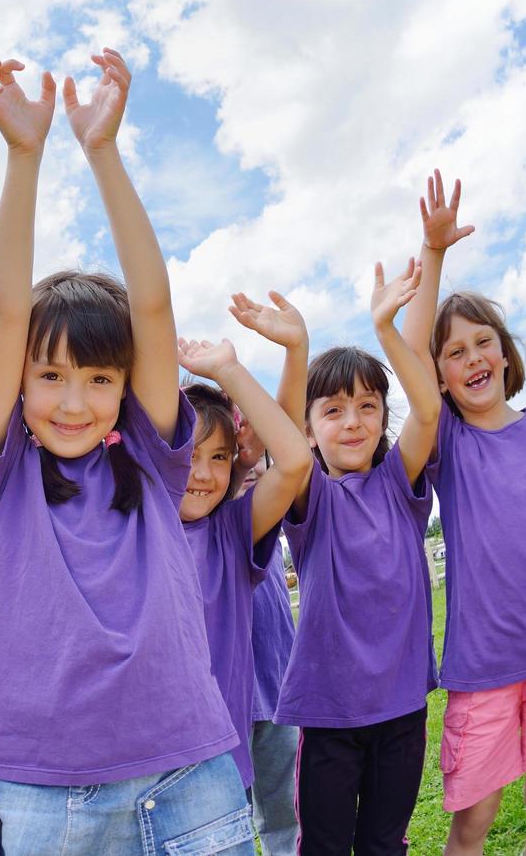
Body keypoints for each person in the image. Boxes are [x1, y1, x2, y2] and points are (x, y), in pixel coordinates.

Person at [0, 51, 252, 855]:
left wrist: (104, 153)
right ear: (19, 382)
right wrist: (24, 156)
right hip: (41, 784)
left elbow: (152, 305)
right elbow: (6, 309)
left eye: (98, 378)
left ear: (126, 388)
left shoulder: (153, 460)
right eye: (48, 377)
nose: (72, 402)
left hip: (183, 770)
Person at [397, 171, 526, 856]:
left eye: (482, 342)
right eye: (454, 353)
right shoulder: (448, 445)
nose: (473, 358)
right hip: (482, 670)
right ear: (441, 376)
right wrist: (432, 255)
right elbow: (407, 357)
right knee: (473, 824)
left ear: (505, 349)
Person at [275, 255, 440, 856]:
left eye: (367, 406)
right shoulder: (310, 496)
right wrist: (297, 351)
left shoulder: (401, 484)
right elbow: (283, 439)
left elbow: (428, 410)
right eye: (333, 410)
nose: (352, 421)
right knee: (323, 845)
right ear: (312, 429)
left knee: (383, 844)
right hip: (329, 715)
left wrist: (387, 330)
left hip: (402, 709)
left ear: (381, 420)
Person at [175, 294, 313, 794]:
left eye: (218, 457)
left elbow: (294, 460)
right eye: (188, 454)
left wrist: (230, 372)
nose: (202, 473)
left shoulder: (231, 532)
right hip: (142, 768)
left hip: (218, 773)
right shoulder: (133, 526)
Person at [225, 293, 306, 855]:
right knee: (221, 831)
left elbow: (289, 441)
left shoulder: (260, 509)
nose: (242, 445)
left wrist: (294, 353)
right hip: (218, 710)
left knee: (284, 827)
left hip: (277, 691)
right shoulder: (207, 523)